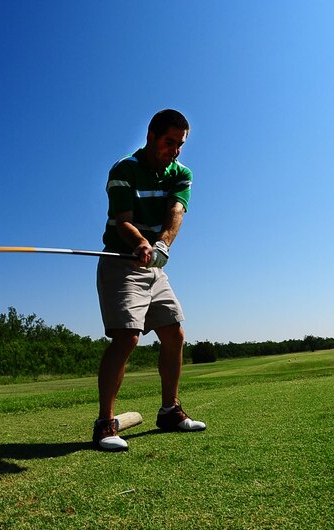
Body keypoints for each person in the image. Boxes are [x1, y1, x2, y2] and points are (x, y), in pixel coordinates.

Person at [93, 109, 206, 451]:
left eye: (180, 144)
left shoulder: (181, 174)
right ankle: (105, 424)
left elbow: (176, 212)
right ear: (151, 136)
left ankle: (170, 411)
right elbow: (122, 219)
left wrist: (160, 244)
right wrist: (140, 242)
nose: (175, 150)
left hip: (154, 266)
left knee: (174, 332)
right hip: (121, 262)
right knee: (128, 337)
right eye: (169, 142)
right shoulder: (124, 169)